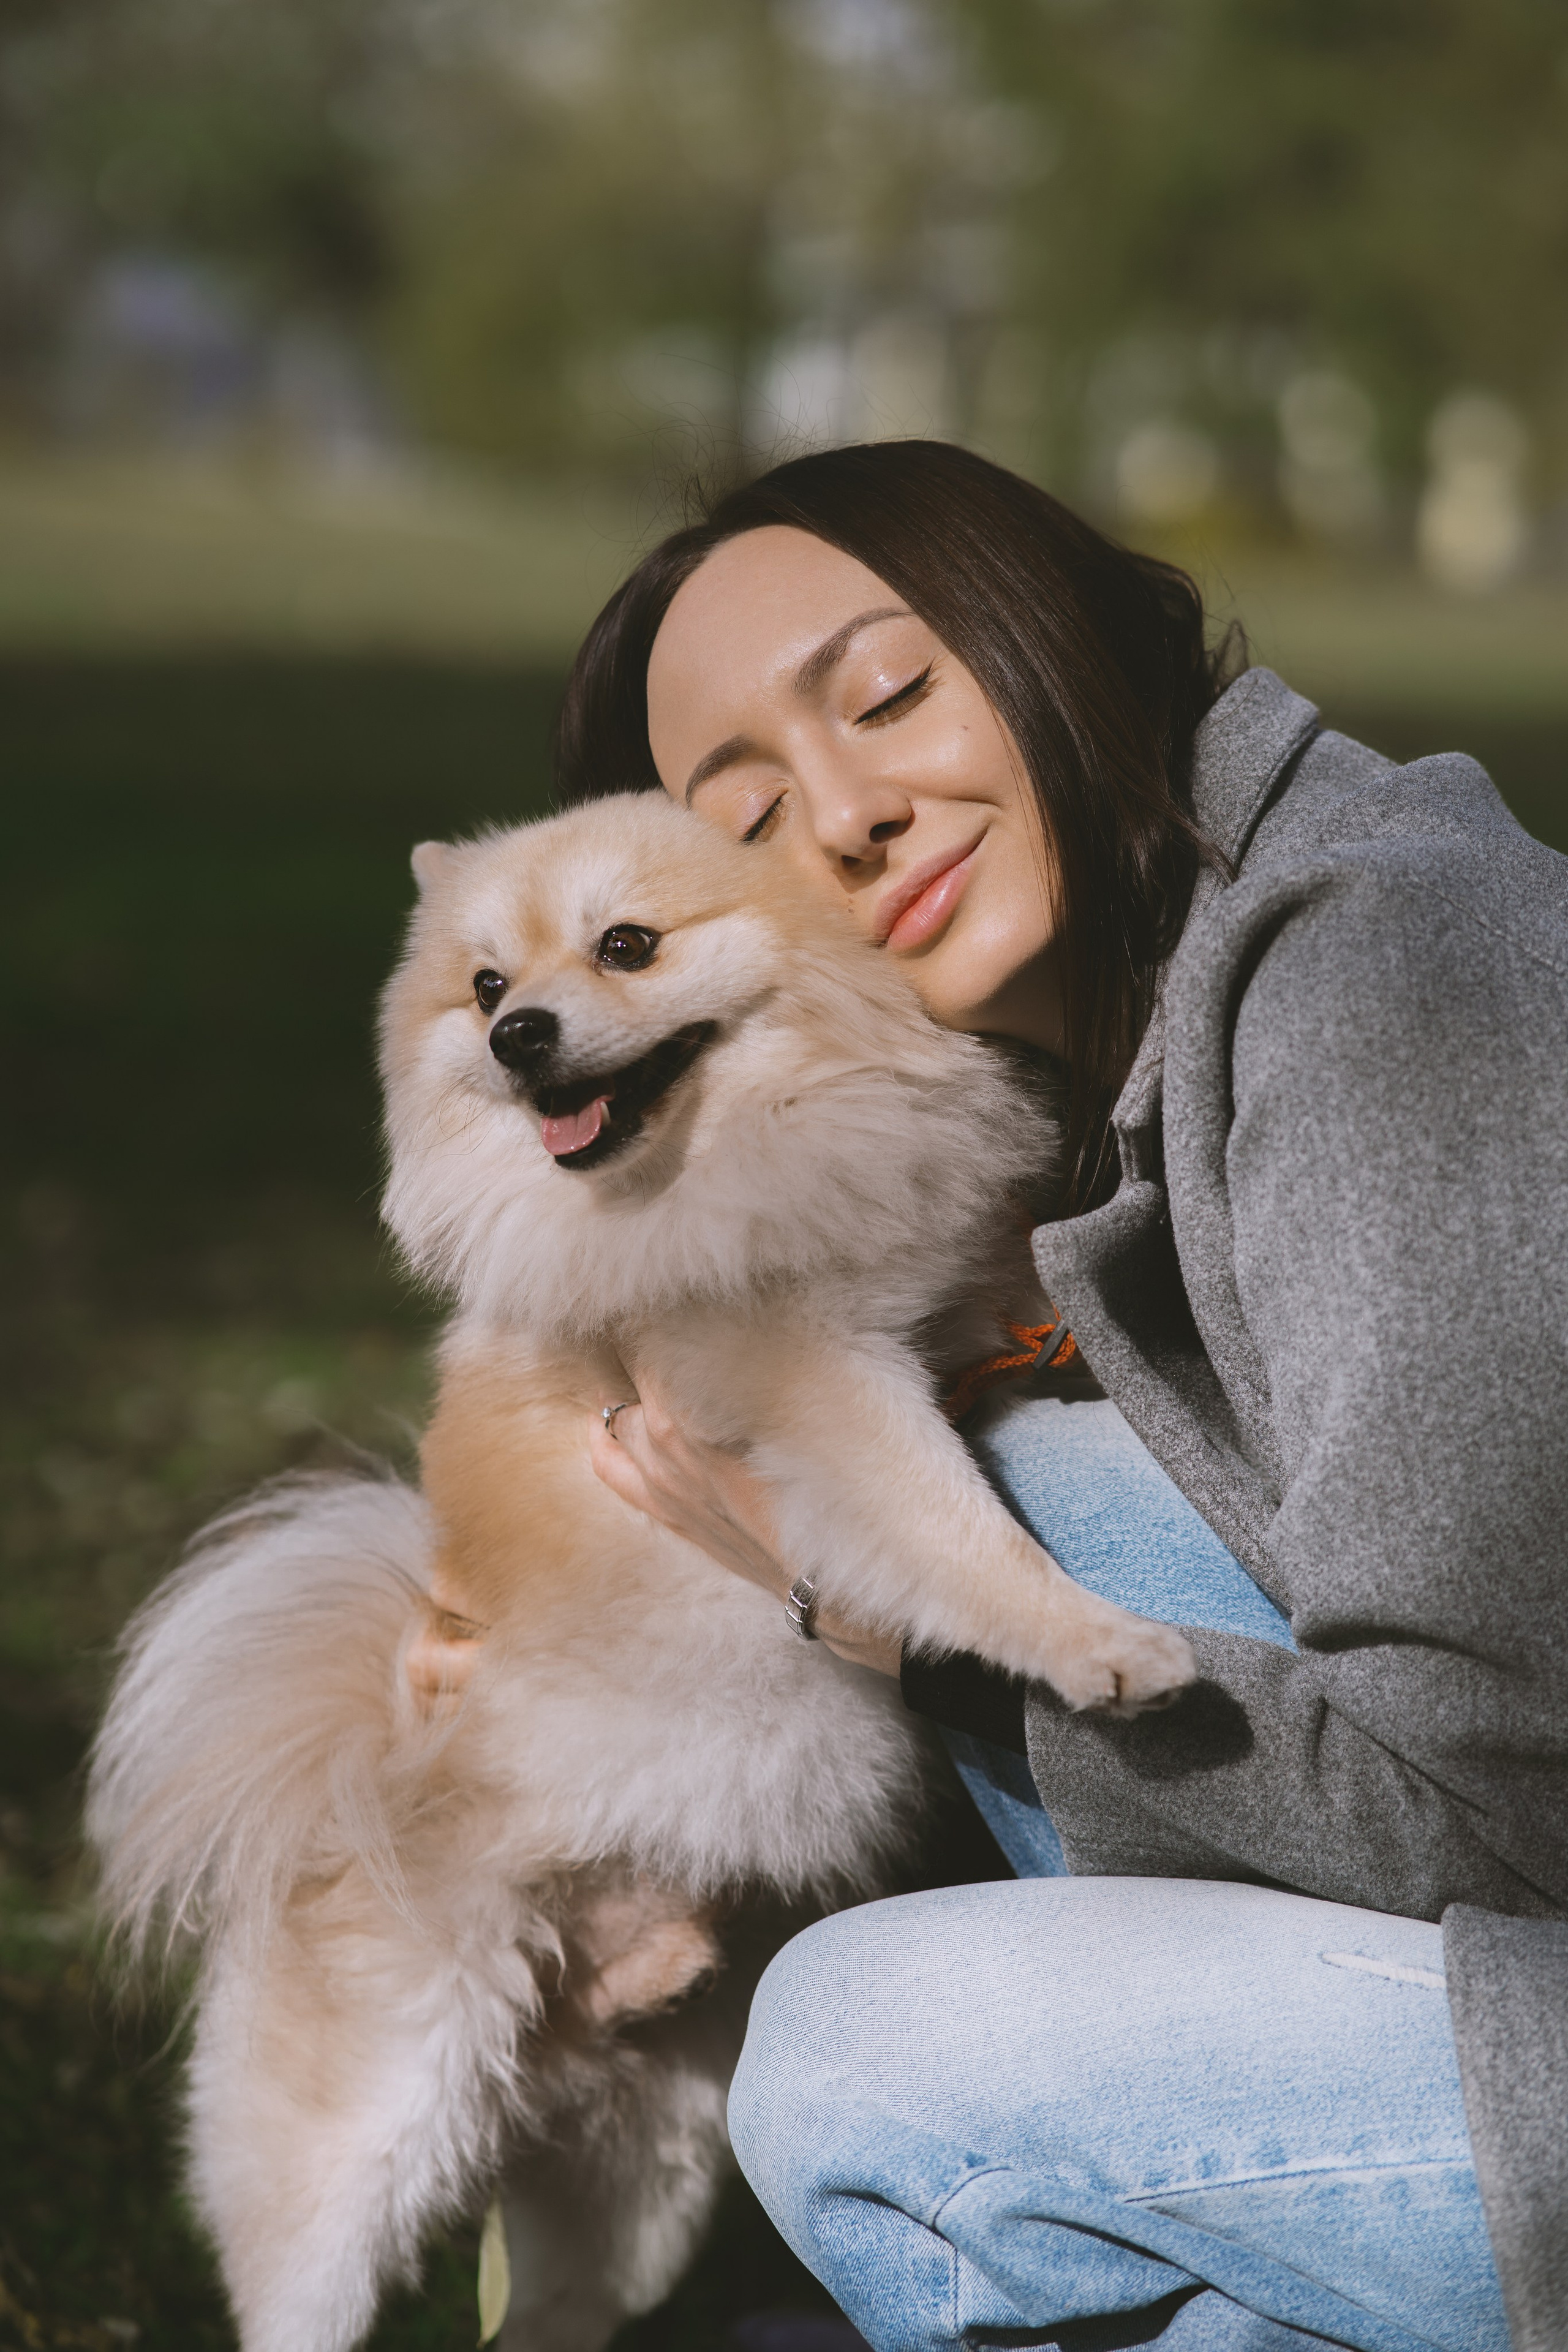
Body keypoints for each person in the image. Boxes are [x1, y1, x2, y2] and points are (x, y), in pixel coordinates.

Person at [559, 440, 1568, 2352]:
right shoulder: (1109, 1056)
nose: (846, 819)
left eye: (890, 695)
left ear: (1063, 633)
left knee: (872, 2059)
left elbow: (1508, 1803)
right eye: (748, 820)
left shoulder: (1397, 970)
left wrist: (893, 1623)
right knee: (947, 1476)